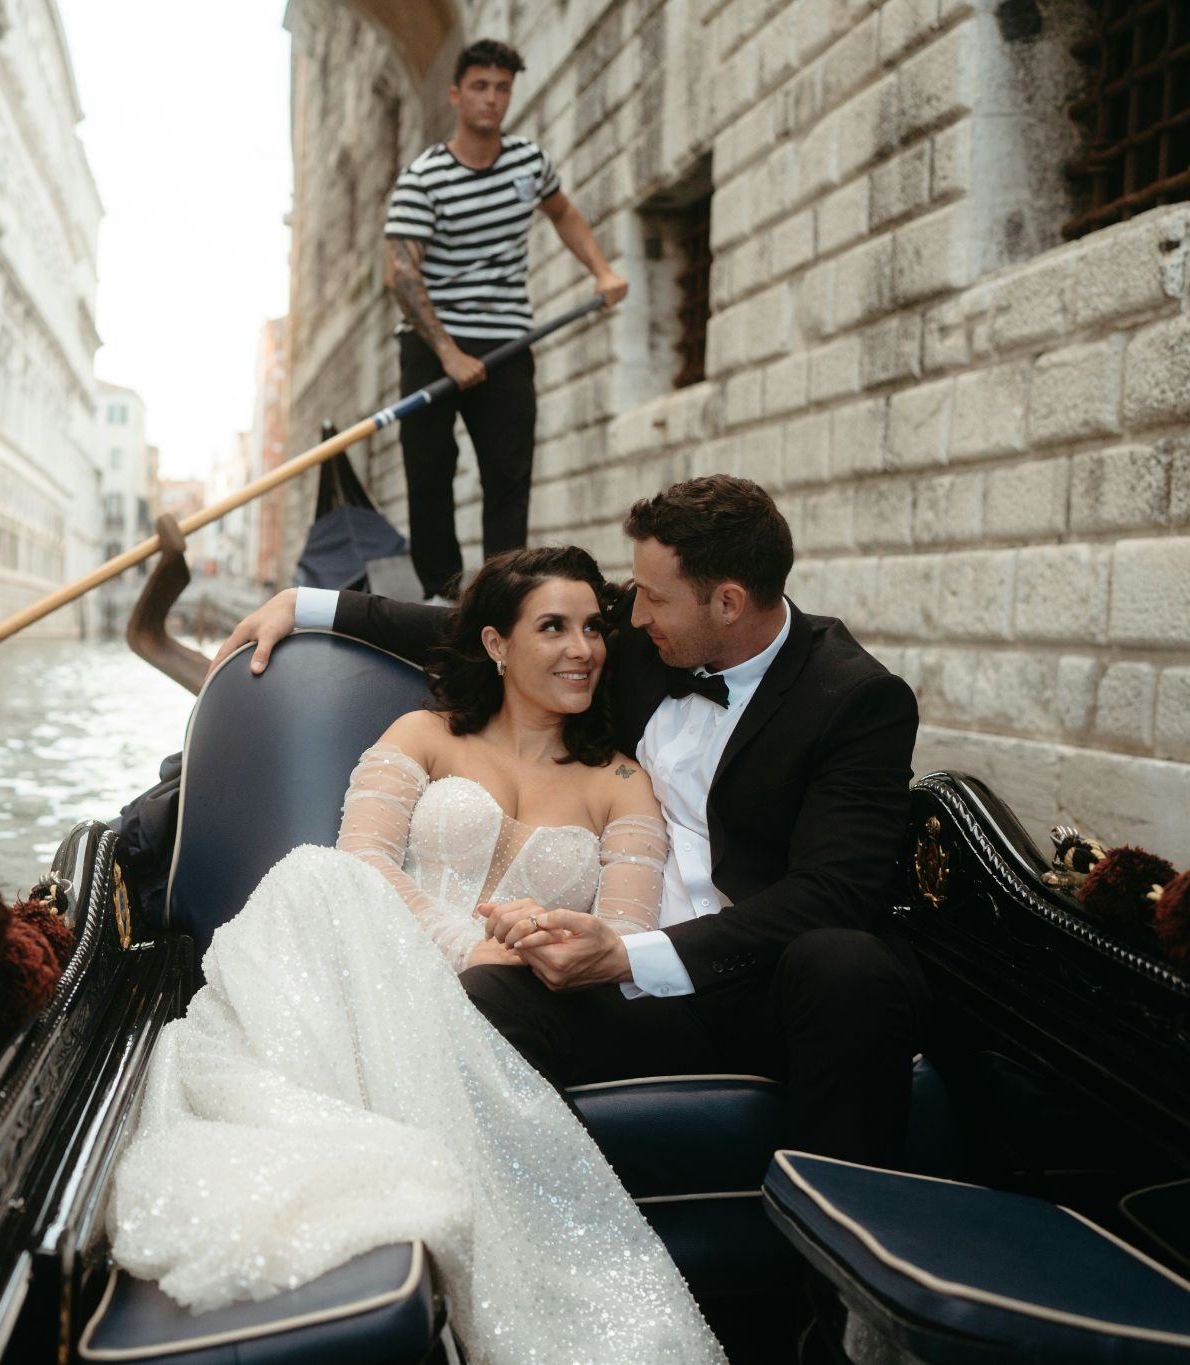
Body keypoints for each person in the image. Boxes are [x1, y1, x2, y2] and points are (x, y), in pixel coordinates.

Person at [112, 548, 724, 1364]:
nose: (583, 648)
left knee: (375, 917)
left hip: (520, 1005)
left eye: (592, 628)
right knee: (314, 876)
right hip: (384, 970)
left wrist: (549, 935)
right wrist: (473, 945)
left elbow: (621, 932)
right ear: (497, 644)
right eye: (553, 627)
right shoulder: (424, 734)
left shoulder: (620, 779)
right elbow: (364, 862)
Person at [214, 476, 927, 1167]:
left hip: (756, 985)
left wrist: (631, 954)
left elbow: (833, 892)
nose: (631, 620)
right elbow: (497, 628)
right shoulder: (651, 637)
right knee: (495, 991)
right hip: (629, 997)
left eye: (652, 599)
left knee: (846, 963)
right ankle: (512, 1214)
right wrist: (308, 604)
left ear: (728, 602)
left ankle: (836, 1232)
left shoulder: (856, 700)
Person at [386, 38, 627, 600]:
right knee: (429, 472)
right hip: (432, 342)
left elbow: (563, 213)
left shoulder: (529, 163)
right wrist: (449, 353)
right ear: (456, 95)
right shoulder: (423, 178)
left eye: (501, 88)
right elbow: (401, 274)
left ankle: (500, 596)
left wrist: (601, 270)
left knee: (508, 476)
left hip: (508, 340)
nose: (491, 99)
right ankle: (443, 596)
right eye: (480, 87)